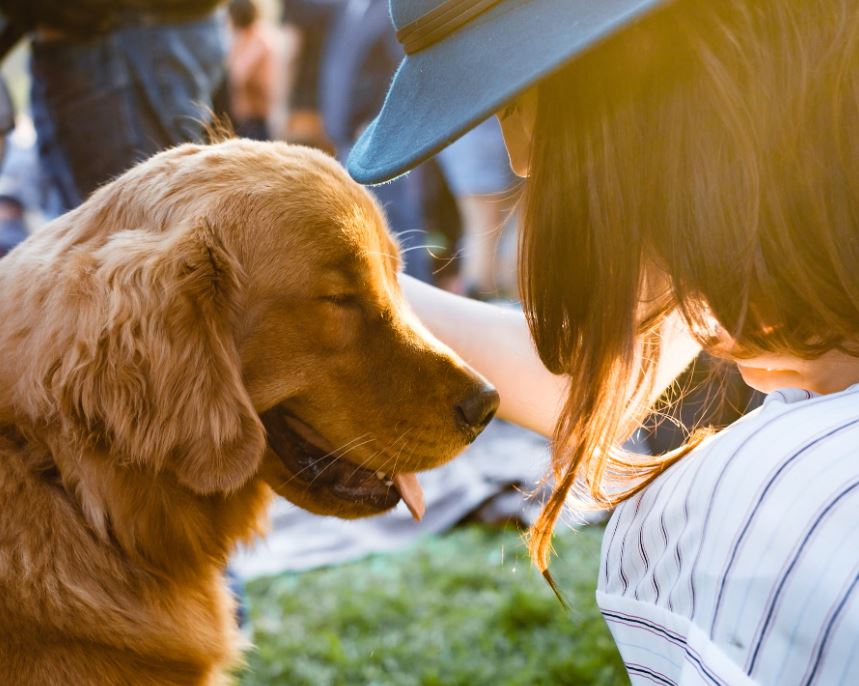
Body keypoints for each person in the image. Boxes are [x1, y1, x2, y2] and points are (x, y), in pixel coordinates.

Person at [346, 0, 859, 683]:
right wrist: (349, 296)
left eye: (513, 101)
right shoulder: (707, 160)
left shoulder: (759, 508)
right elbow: (588, 379)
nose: (518, 159)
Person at [227, 0, 279, 140]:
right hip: (243, 116)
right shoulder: (245, 37)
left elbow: (238, 74)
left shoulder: (258, 39)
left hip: (255, 117)